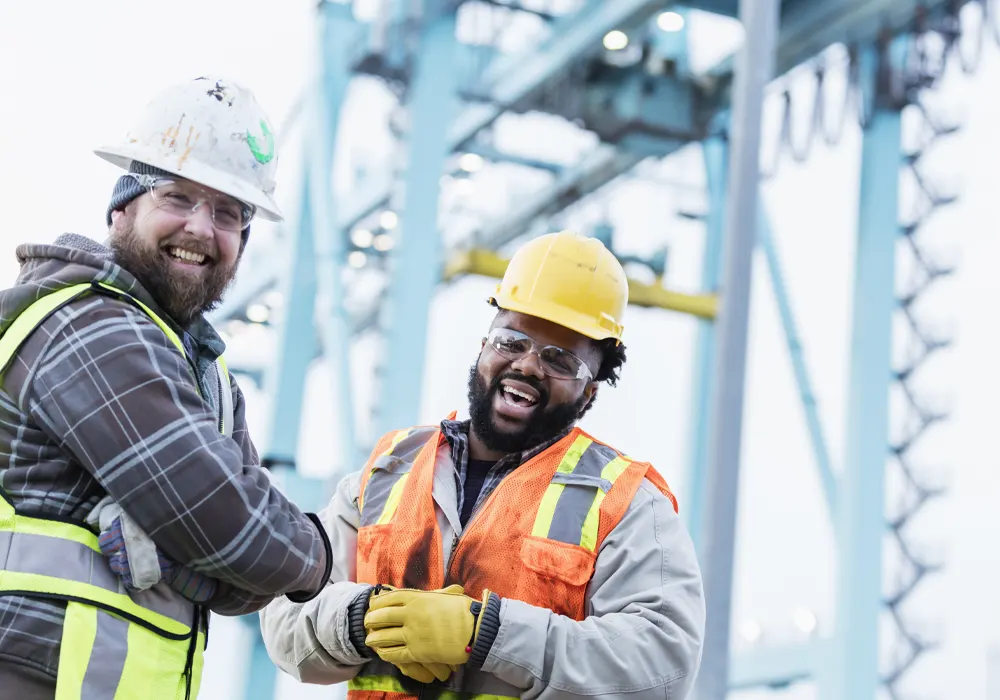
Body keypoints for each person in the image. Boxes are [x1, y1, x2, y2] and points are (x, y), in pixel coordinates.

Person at [258, 231, 706, 698]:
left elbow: (662, 667)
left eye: (559, 359)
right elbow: (286, 609)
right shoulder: (390, 471)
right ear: (484, 345)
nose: (528, 366)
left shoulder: (626, 504)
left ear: (589, 392)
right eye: (512, 341)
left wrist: (488, 633)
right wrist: (364, 618)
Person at [0, 76, 333, 700]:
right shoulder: (87, 324)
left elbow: (243, 572)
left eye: (229, 212)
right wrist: (318, 556)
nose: (202, 229)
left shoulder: (206, 371)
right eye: (177, 197)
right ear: (122, 208)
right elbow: (228, 523)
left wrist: (196, 555)